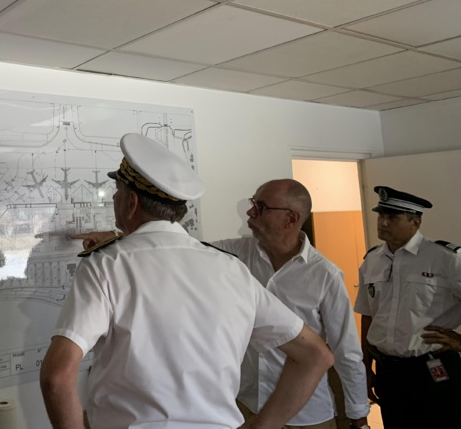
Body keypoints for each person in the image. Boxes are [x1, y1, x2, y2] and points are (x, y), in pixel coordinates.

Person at [40, 134, 334, 429]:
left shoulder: (105, 264)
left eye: (117, 191)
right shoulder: (233, 269)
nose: (113, 199)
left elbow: (57, 377)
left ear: (131, 202)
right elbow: (315, 355)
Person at [76, 179, 371, 429]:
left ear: (291, 219)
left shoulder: (325, 275)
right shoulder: (233, 256)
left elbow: (345, 350)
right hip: (246, 406)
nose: (250, 212)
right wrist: (119, 238)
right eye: (253, 203)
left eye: (261, 207)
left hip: (305, 414)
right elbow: (174, 247)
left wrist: (359, 415)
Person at [354, 186, 461, 428]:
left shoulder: (446, 258)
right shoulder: (372, 260)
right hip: (389, 371)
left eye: (393, 217)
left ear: (415, 221)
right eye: (381, 215)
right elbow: (368, 314)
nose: (383, 222)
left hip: (435, 369)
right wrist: (365, 366)